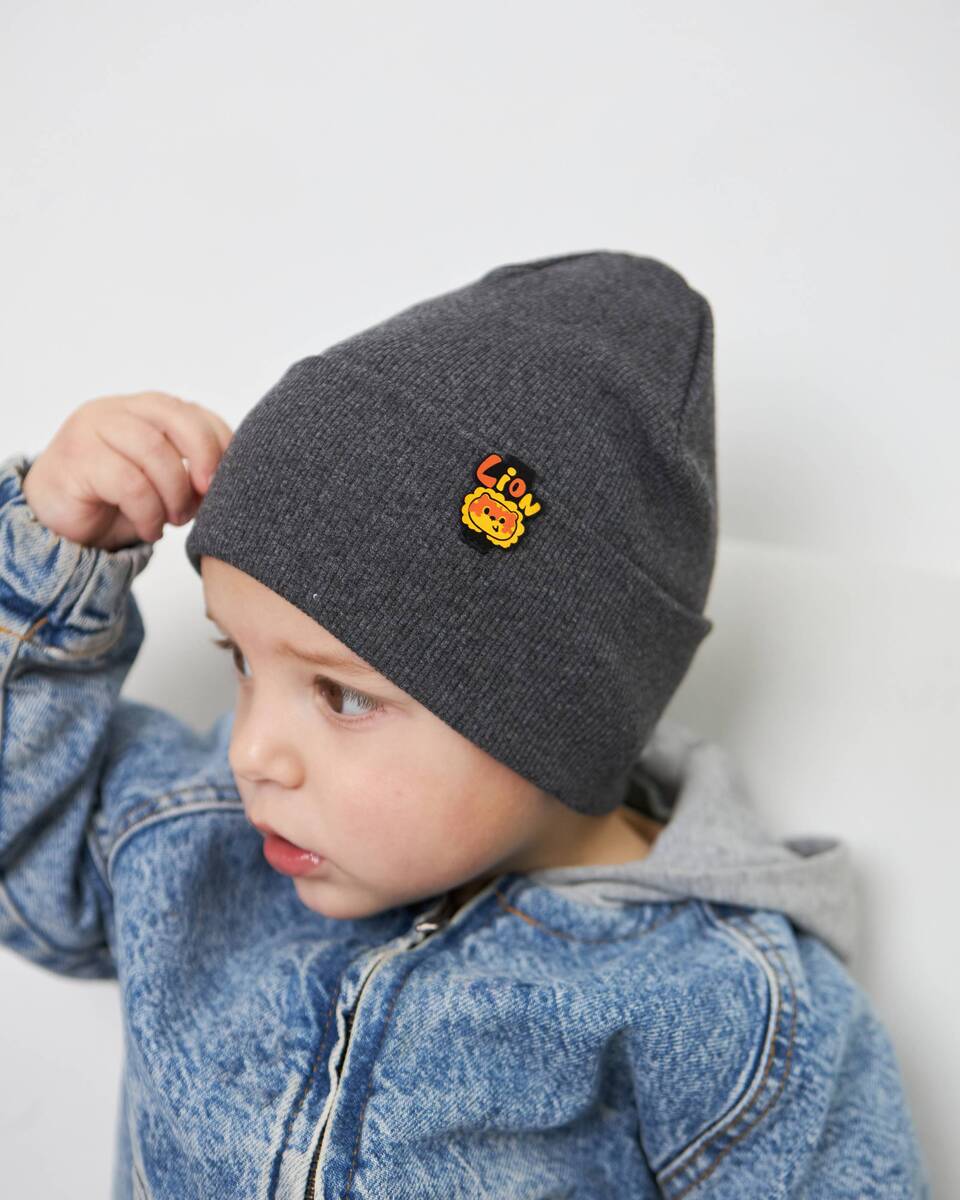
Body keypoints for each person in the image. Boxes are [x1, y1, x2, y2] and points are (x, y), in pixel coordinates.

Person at [1, 251, 929, 1198]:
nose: (250, 753)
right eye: (238, 658)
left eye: (343, 696)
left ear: (554, 716)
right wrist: (47, 554)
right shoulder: (191, 836)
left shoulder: (726, 1006)